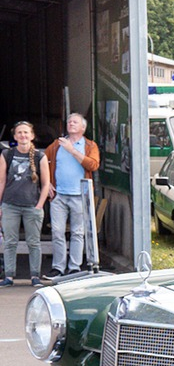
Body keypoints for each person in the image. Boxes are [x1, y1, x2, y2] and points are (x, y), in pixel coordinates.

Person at [44, 113, 100, 279]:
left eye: (75, 122)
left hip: (79, 195)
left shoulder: (90, 145)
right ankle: (58, 268)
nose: (71, 124)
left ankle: (74, 267)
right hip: (59, 195)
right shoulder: (56, 145)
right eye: (69, 121)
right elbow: (41, 162)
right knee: (57, 232)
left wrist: (72, 150)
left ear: (83, 128)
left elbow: (93, 165)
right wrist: (47, 184)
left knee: (77, 232)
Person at [0, 121, 52, 286]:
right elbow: (1, 181)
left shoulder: (39, 156)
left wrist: (39, 205)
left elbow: (45, 184)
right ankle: (9, 276)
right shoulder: (6, 154)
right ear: (15, 137)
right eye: (19, 133)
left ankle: (35, 276)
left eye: (26, 132)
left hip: (31, 205)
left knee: (34, 242)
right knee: (10, 241)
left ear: (32, 136)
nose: (23, 135)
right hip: (10, 204)